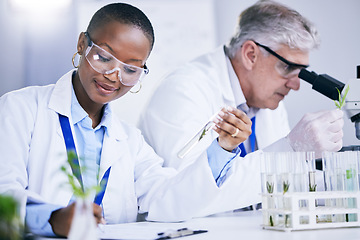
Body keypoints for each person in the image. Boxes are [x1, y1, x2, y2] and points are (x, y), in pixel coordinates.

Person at [0, 3, 258, 238]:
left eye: (131, 69)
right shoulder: (21, 108)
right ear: (82, 44)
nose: (114, 76)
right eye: (103, 57)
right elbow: (4, 193)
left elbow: (167, 197)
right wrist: (54, 218)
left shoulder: (129, 140)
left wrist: (222, 147)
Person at [139, 0, 344, 171]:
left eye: (301, 72)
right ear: (250, 55)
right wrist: (290, 148)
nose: (296, 84)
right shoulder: (184, 91)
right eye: (287, 67)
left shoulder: (267, 101)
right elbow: (192, 189)